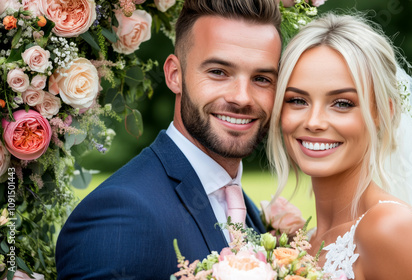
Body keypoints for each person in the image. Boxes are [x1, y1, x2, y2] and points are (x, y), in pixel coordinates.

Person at [55, 0, 282, 278]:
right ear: (175, 75)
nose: (242, 97)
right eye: (218, 72)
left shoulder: (243, 208)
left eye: (262, 78)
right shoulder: (120, 216)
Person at [267, 12, 412, 280]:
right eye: (297, 100)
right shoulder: (300, 244)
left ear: (384, 114)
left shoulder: (390, 228)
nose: (314, 121)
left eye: (342, 103)